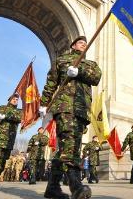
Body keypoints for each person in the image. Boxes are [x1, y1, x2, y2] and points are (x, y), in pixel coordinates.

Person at [40, 36, 102, 199]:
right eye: (81, 43)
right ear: (73, 45)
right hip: (65, 107)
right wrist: (43, 104)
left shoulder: (90, 64)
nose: (84, 45)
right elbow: (51, 83)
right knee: (70, 147)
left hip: (81, 110)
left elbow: (96, 77)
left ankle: (52, 188)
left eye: (85, 44)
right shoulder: (61, 60)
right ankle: (76, 186)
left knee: (67, 148)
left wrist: (79, 71)